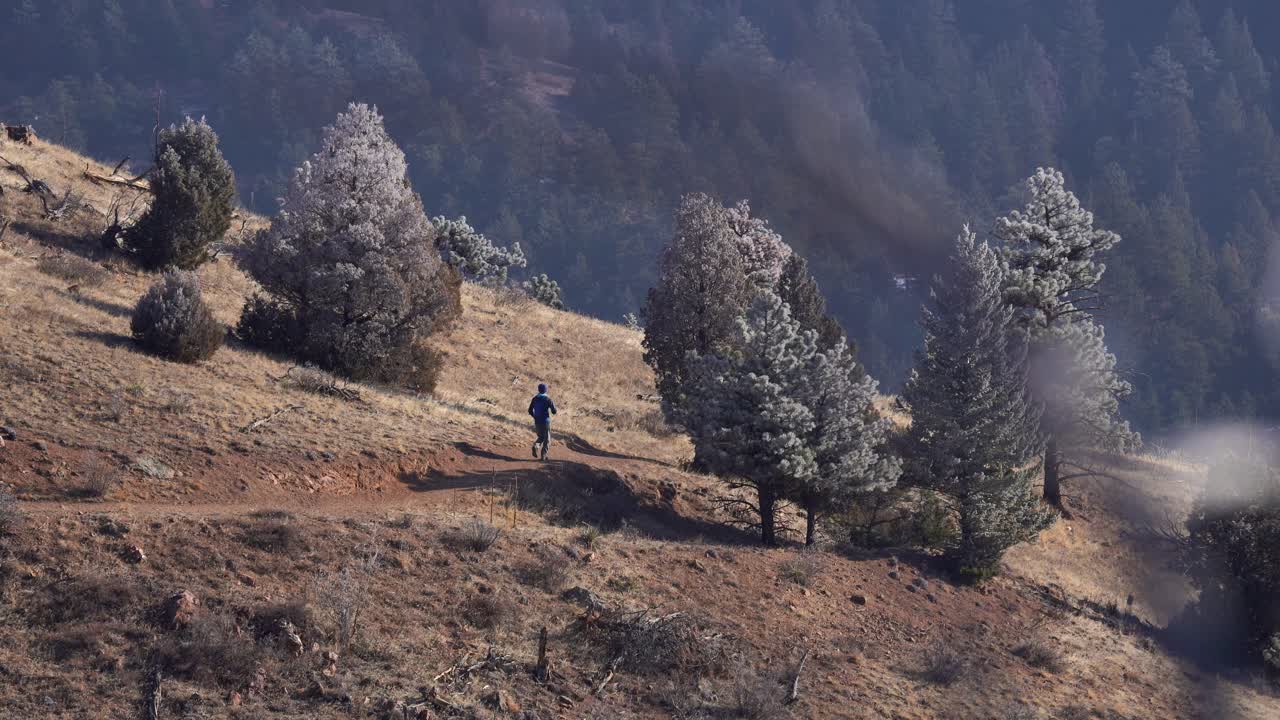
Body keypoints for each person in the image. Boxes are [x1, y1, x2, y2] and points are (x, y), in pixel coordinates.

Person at [528, 383, 557, 460]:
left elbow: (530, 410)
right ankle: (543, 456)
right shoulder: (548, 399)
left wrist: (535, 416)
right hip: (545, 421)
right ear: (546, 390)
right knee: (547, 439)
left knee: (541, 437)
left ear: (538, 390)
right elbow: (554, 411)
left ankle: (535, 446)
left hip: (537, 421)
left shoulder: (534, 399)